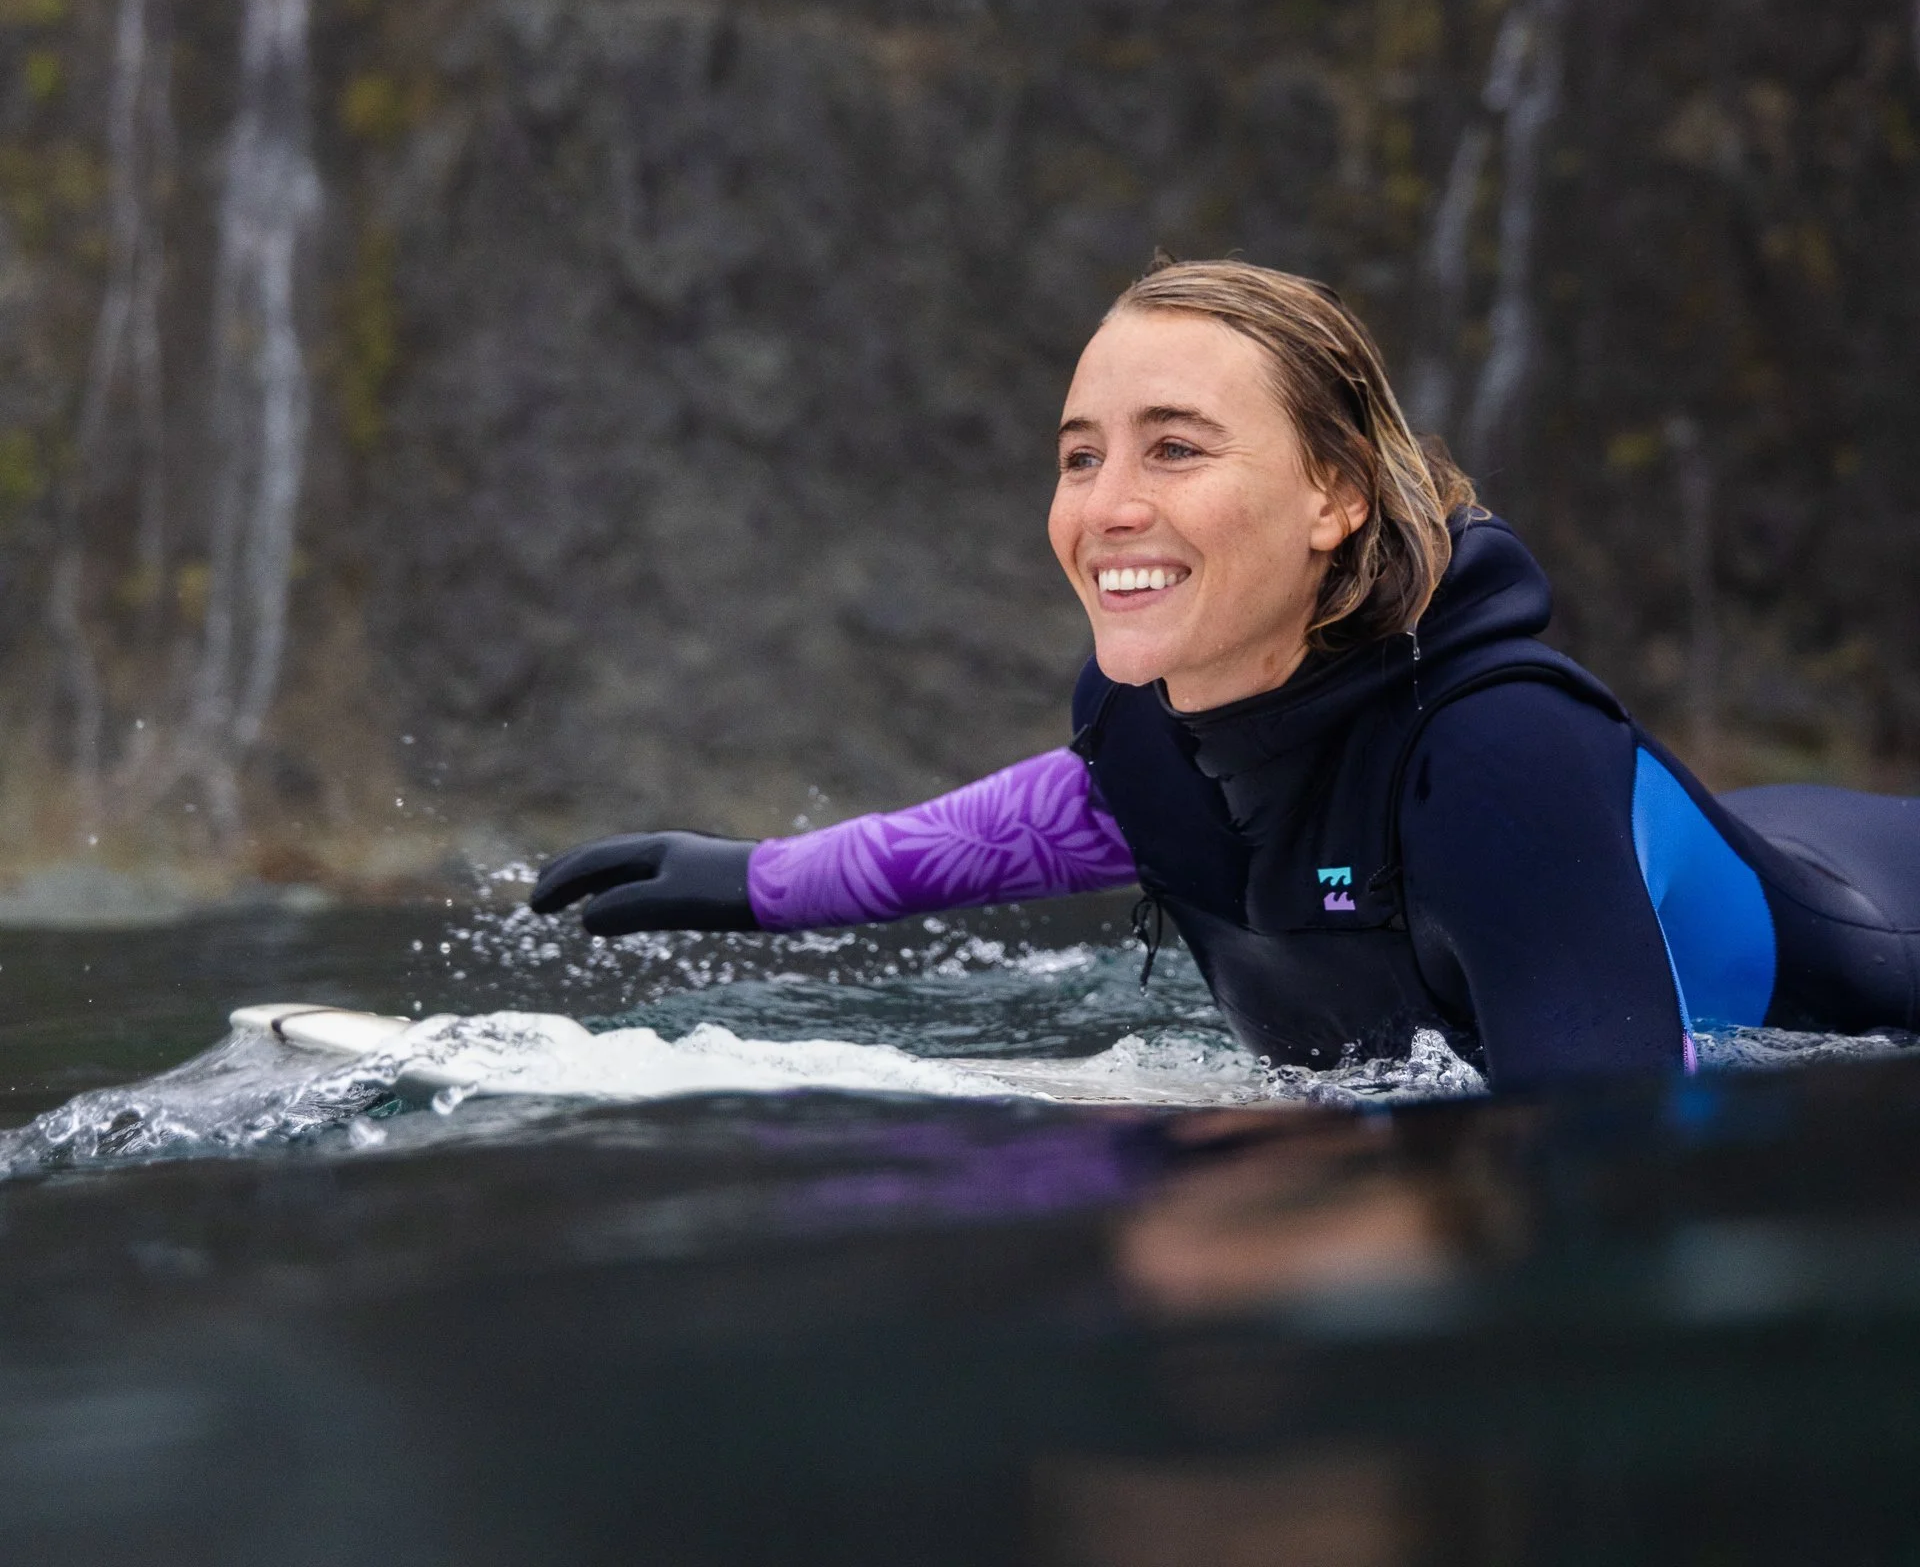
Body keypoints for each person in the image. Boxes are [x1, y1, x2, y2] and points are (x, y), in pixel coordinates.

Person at [530, 260, 1920, 1090]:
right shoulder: (1138, 717)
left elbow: (1615, 1159)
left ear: (1335, 497)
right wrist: (756, 882)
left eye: (1176, 448)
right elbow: (1070, 815)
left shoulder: (1502, 756)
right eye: (1082, 455)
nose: (1108, 505)